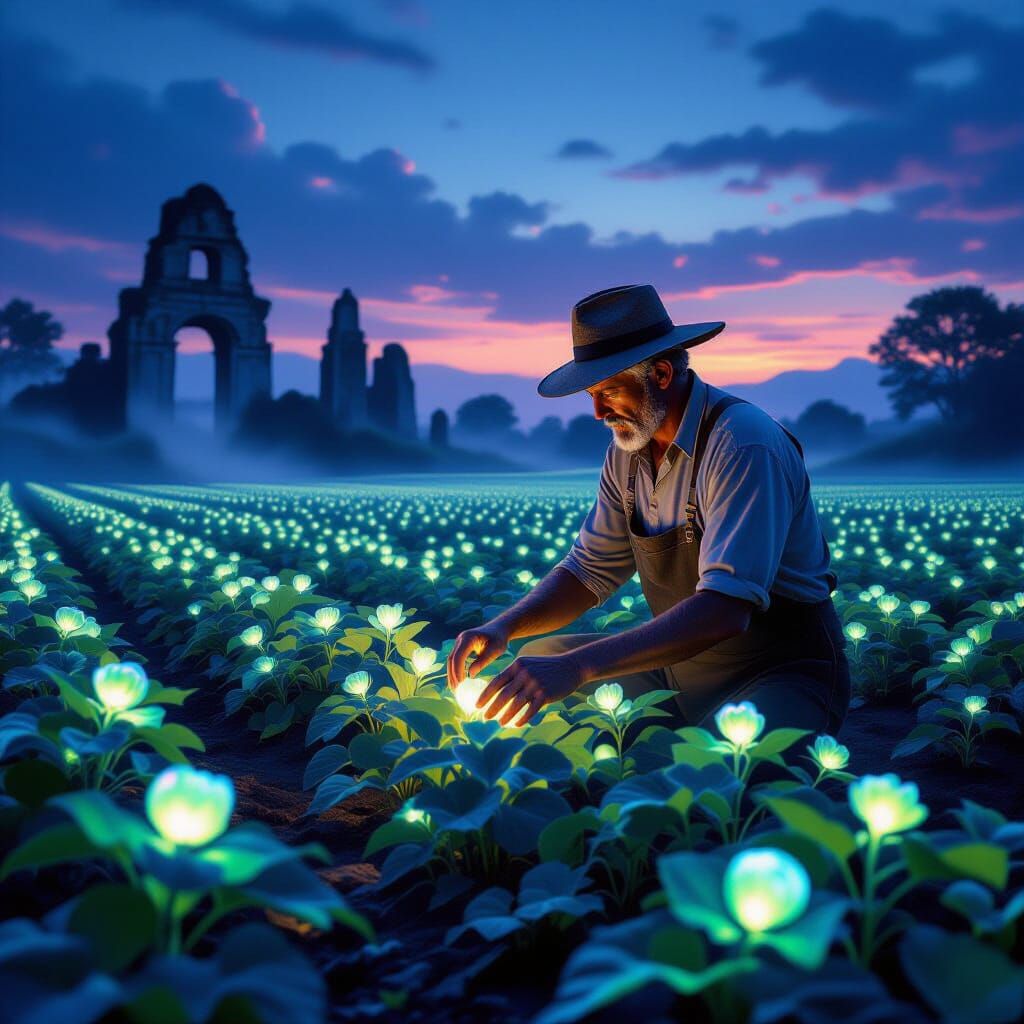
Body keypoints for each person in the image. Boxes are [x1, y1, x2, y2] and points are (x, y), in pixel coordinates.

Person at [446, 283, 850, 736]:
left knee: (718, 785)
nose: (598, 412)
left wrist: (578, 668)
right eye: (591, 395)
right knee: (534, 664)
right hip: (677, 670)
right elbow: (588, 570)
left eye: (610, 392)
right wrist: (504, 628)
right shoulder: (629, 449)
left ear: (660, 374)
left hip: (777, 673)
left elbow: (724, 610)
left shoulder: (743, 444)